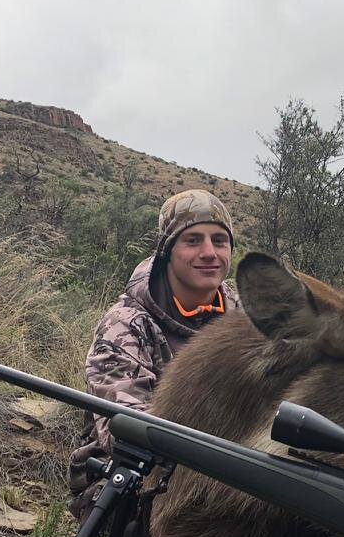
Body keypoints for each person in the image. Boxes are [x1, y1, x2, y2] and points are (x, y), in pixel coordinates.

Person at [68, 189, 239, 517]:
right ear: (167, 251)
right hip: (133, 471)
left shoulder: (245, 320)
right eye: (192, 241)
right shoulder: (125, 324)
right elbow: (123, 428)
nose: (209, 253)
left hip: (228, 465)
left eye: (219, 241)